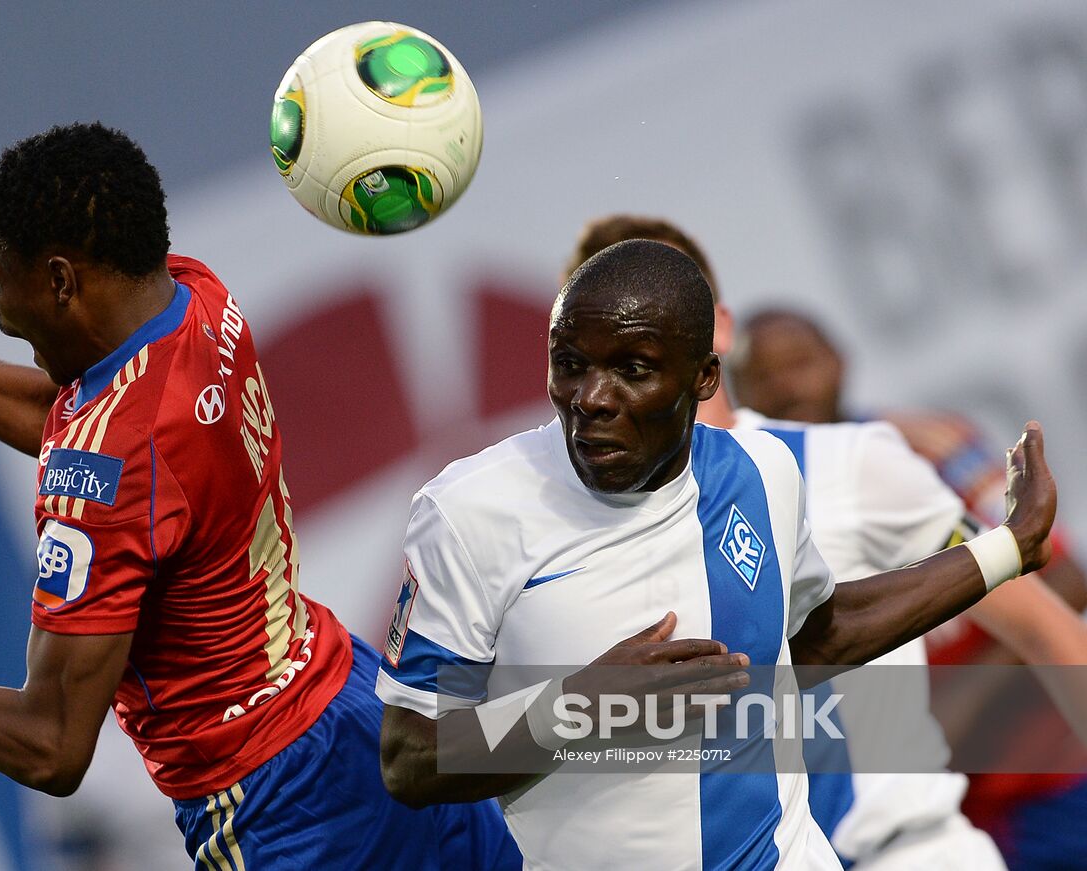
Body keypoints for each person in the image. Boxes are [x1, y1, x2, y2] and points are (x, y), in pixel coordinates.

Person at [0, 122, 521, 871]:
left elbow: (52, 746)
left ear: (61, 279)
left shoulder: (103, 471)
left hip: (274, 803)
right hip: (355, 704)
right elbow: (67, 418)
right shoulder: (196, 298)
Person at [374, 237, 1057, 870]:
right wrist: (580, 707)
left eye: (631, 370)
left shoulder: (763, 472)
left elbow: (818, 637)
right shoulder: (468, 511)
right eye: (570, 363)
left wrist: (1009, 547)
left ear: (703, 376)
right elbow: (408, 756)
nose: (591, 399)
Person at [564, 215, 1087, 869]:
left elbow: (1044, 622)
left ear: (721, 328)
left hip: (910, 851)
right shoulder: (586, 545)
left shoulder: (851, 460)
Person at [728, 304, 1087, 870]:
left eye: (801, 362)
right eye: (761, 375)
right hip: (914, 814)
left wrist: (968, 693)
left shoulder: (927, 446)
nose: (786, 386)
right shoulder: (750, 502)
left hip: (1044, 777)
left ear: (840, 361)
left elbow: (1062, 578)